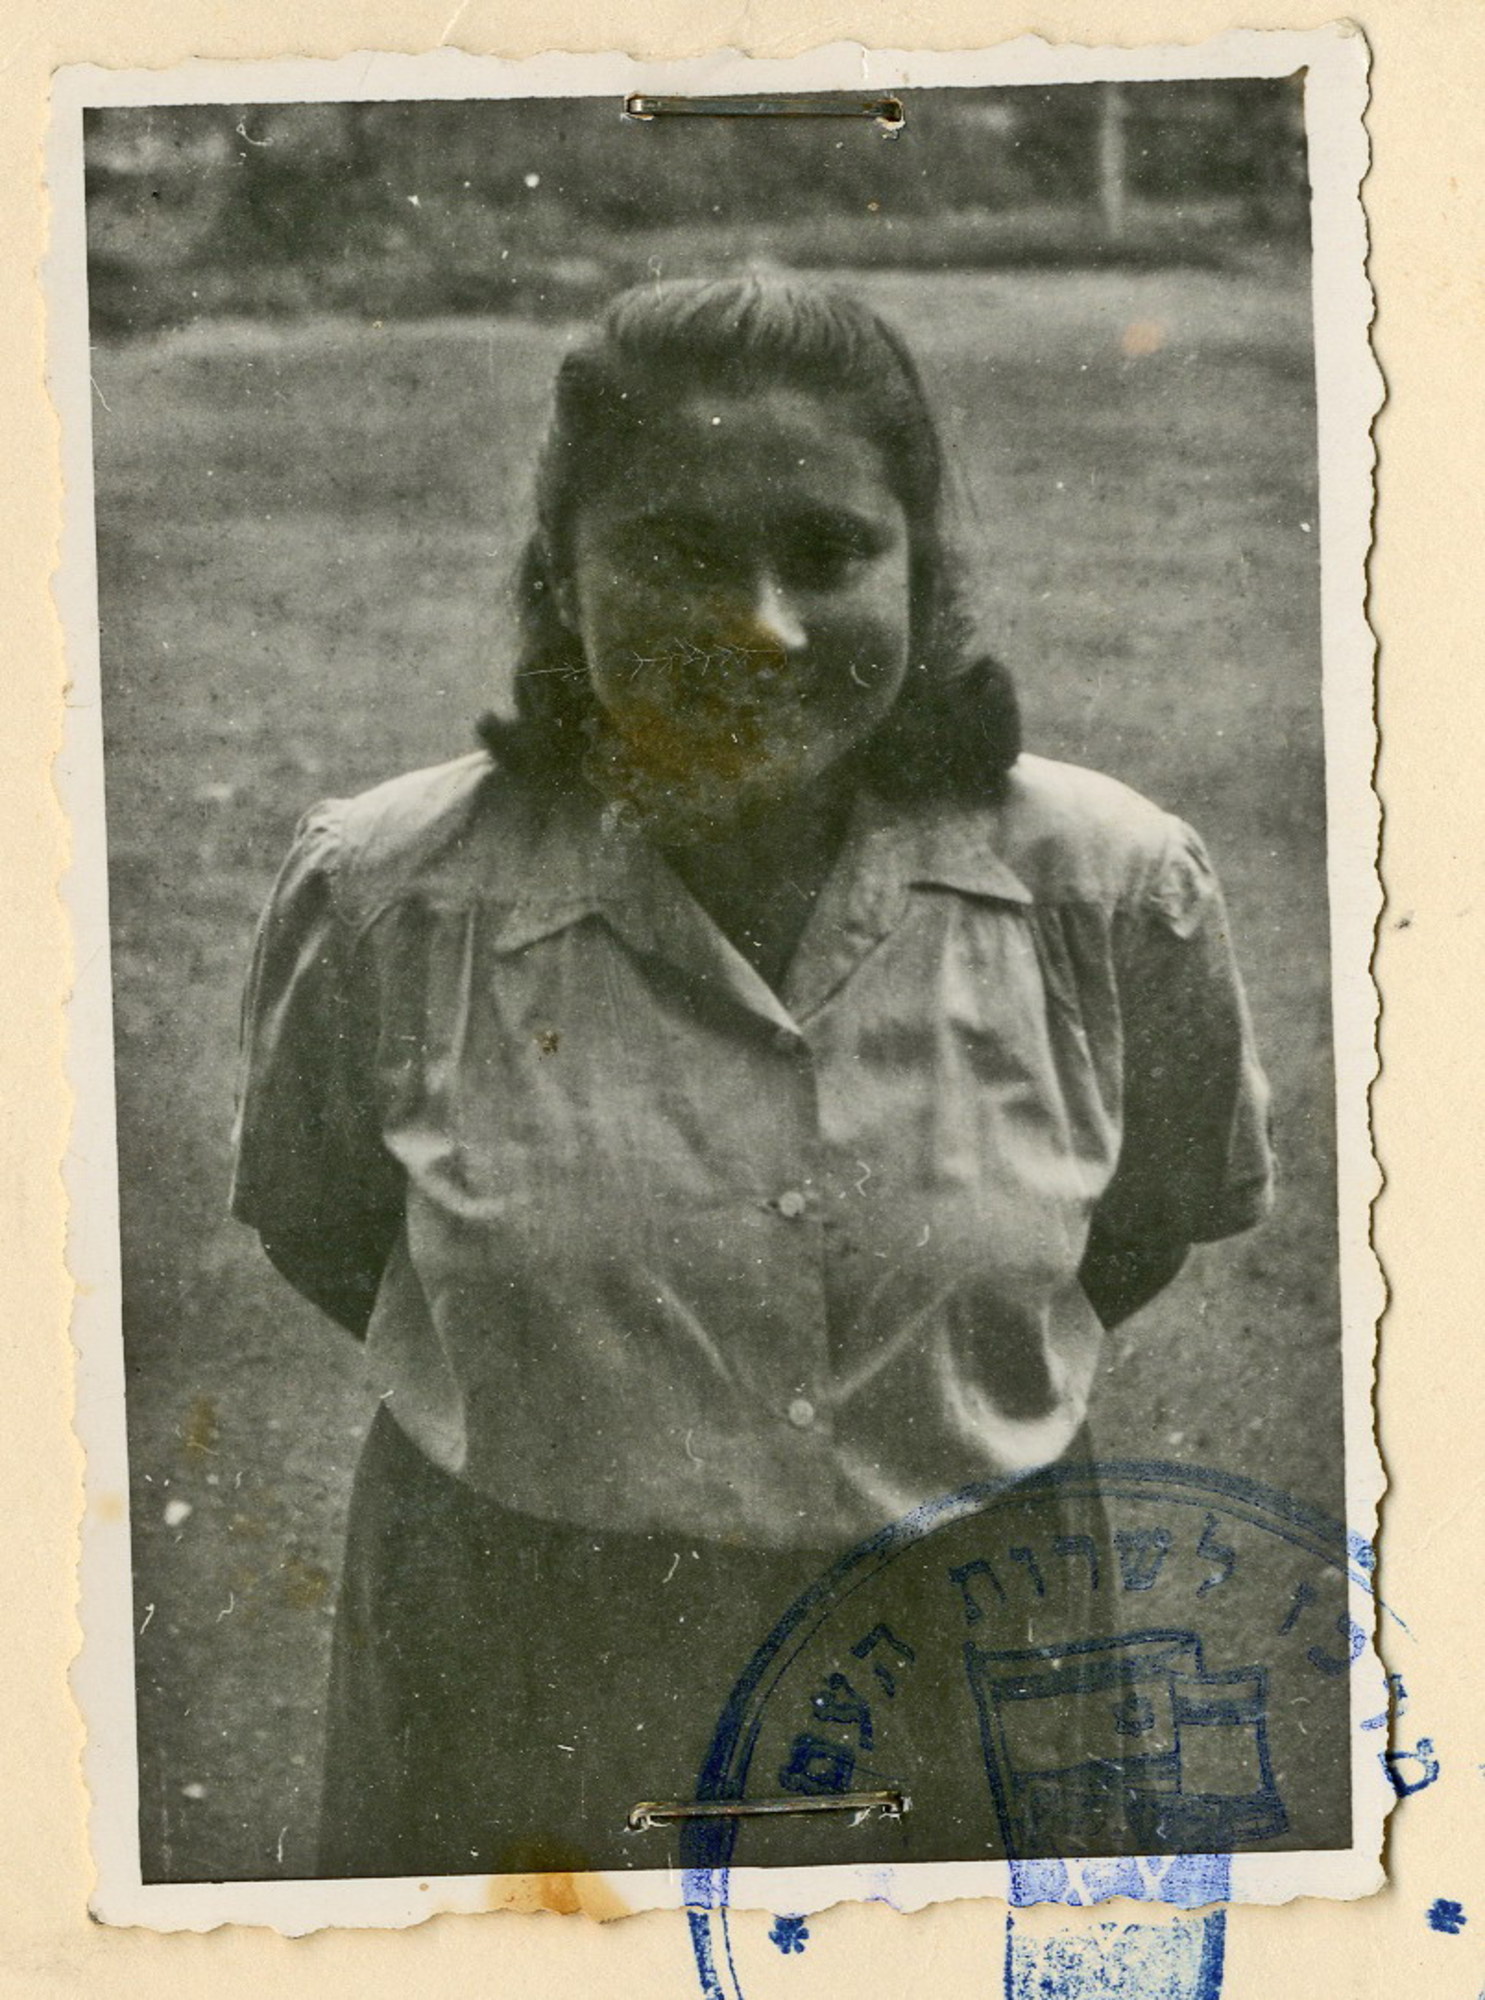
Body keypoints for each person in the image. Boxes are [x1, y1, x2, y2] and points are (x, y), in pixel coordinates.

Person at [230, 274, 1275, 1879]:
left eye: (830, 552)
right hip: (517, 1664)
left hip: (967, 1652)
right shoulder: (388, 892)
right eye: (679, 555)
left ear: (923, 569)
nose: (763, 626)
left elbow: (1133, 1226)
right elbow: (328, 1227)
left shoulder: (1109, 887)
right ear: (556, 574)